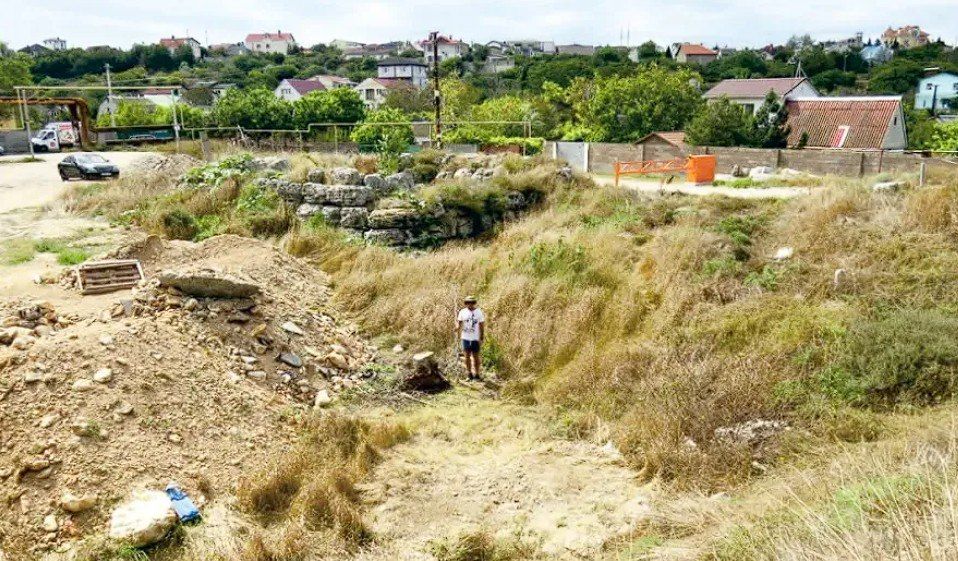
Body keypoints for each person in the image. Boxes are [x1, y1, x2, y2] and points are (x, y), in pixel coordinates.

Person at [457, 296, 486, 380]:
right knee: (467, 356)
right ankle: (469, 374)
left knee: (476, 357)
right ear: (465, 303)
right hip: (465, 338)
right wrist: (457, 328)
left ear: (474, 303)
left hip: (475, 338)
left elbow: (481, 325)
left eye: (472, 302)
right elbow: (459, 323)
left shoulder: (479, 312)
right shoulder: (462, 312)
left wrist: (481, 337)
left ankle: (477, 374)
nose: (470, 304)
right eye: (468, 302)